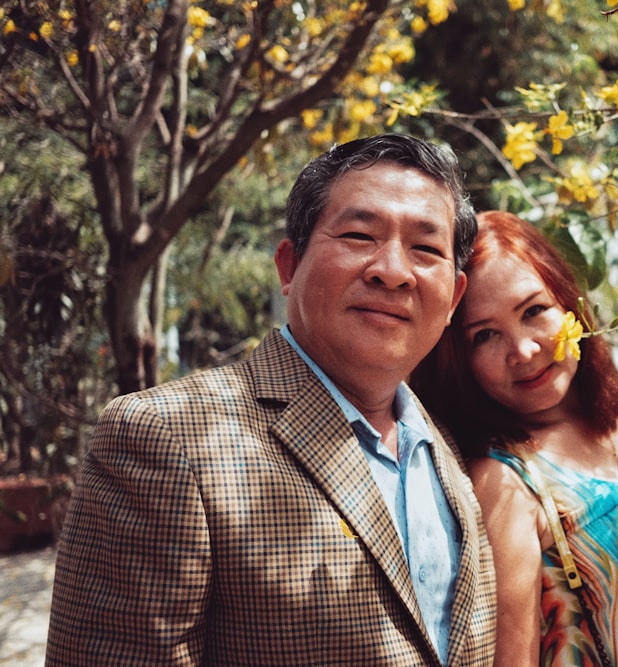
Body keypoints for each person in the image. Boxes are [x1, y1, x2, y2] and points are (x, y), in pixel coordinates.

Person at [45, 134, 497, 667]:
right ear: (289, 267)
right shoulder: (166, 436)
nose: (393, 270)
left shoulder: (440, 444)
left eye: (426, 249)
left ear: (454, 299)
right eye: (359, 234)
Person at [411, 210, 618, 667]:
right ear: (459, 360)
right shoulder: (504, 484)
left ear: (570, 305)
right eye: (485, 335)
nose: (523, 351)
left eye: (534, 311)